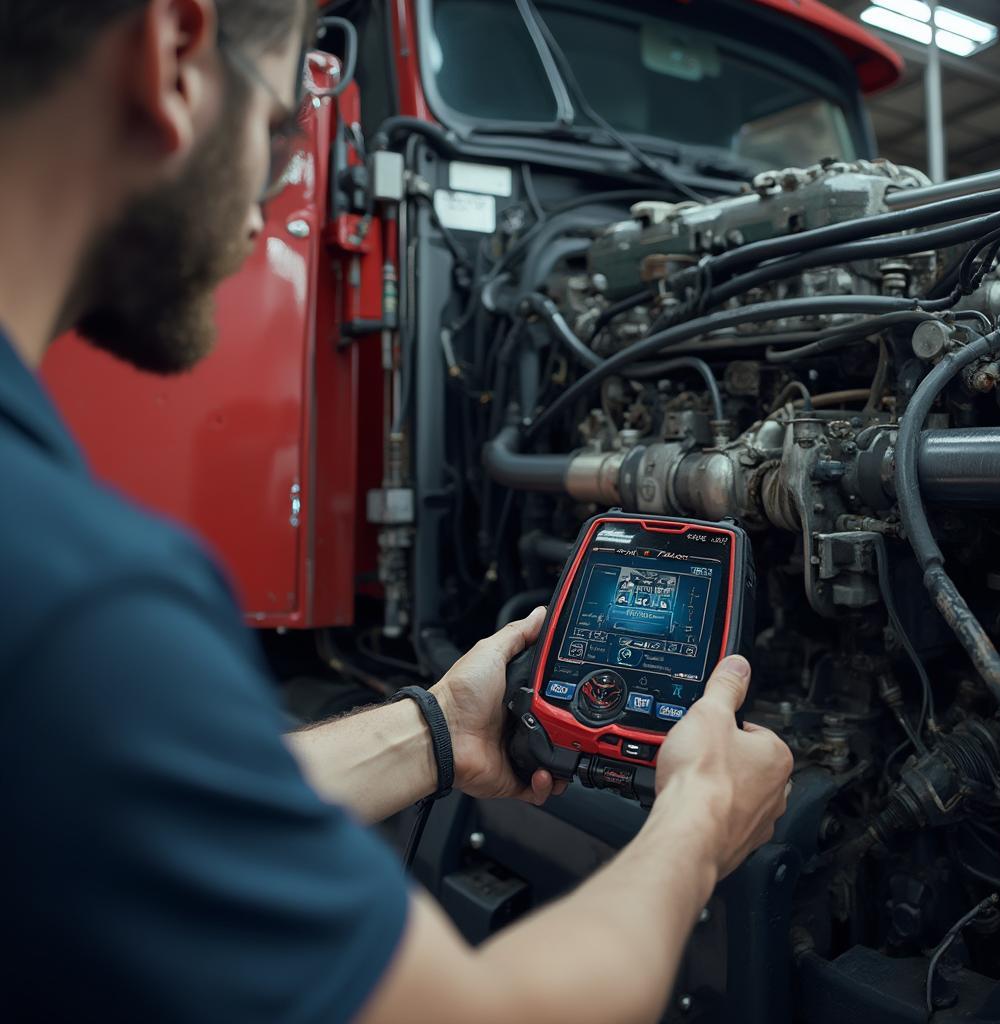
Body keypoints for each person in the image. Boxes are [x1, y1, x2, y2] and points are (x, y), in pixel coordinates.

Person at [0, 2, 794, 1021]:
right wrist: (699, 819)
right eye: (287, 124)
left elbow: (110, 811)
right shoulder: (84, 599)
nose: (272, 187)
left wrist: (431, 732)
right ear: (174, 57)